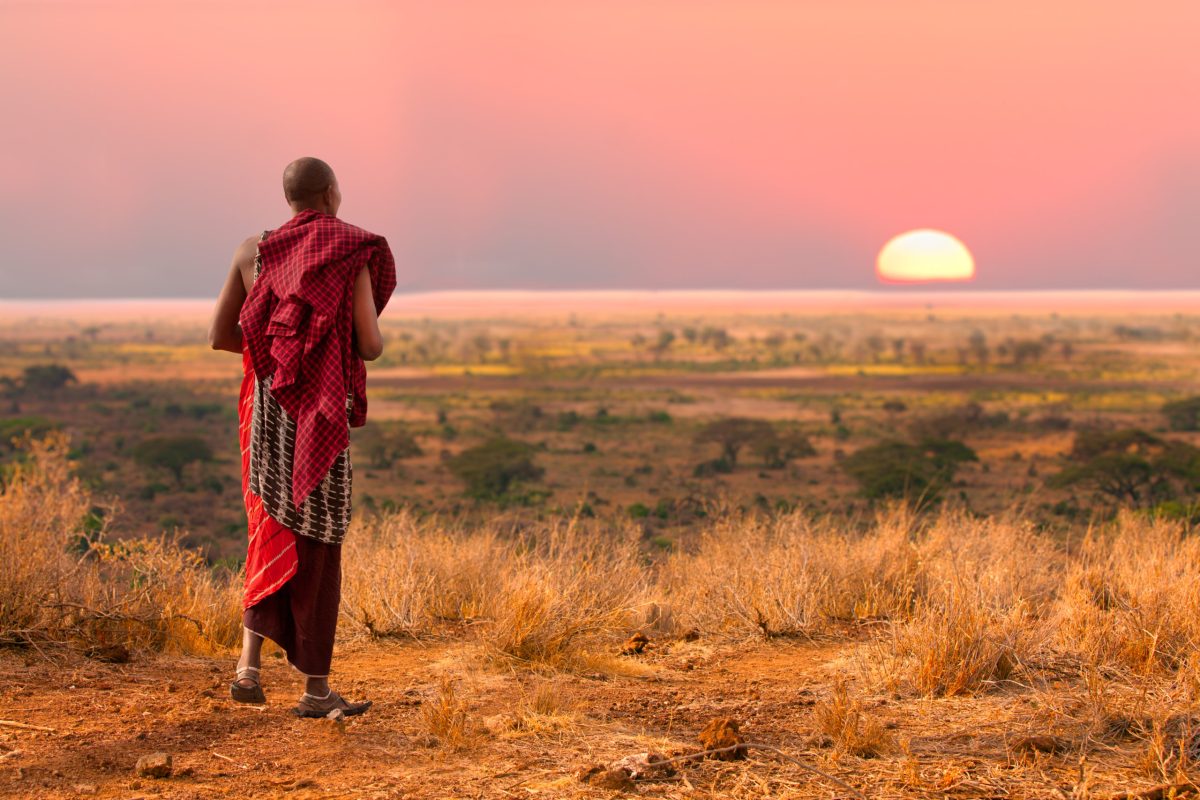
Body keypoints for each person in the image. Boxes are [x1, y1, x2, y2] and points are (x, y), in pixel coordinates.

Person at [208, 157, 396, 717]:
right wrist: (317, 357)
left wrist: (281, 354)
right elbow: (370, 345)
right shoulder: (351, 252)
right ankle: (316, 690)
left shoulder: (252, 251)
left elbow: (222, 335)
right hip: (320, 418)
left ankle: (248, 668)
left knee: (270, 528)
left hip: (270, 410)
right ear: (333, 194)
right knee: (317, 543)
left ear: (289, 198)